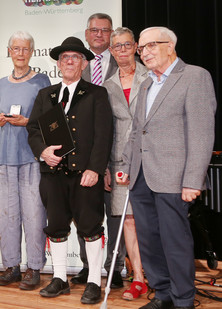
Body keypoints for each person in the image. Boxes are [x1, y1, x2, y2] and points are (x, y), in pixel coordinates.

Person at [116, 26, 216, 309]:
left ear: (170, 46)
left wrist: (193, 180)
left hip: (174, 178)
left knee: (175, 241)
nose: (144, 52)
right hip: (141, 176)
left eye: (150, 46)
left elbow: (201, 133)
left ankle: (184, 299)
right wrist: (126, 164)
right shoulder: (146, 82)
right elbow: (136, 131)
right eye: (141, 48)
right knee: (148, 240)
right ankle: (163, 294)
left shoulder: (195, 77)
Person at [27, 37, 113, 304]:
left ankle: (93, 282)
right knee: (56, 227)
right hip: (53, 175)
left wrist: (95, 169)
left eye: (75, 57)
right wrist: (43, 152)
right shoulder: (46, 95)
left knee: (90, 227)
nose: (69, 62)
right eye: (65, 58)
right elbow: (33, 130)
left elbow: (104, 134)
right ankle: (60, 278)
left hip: (85, 175)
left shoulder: (97, 94)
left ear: (84, 63)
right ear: (58, 63)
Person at [0, 31, 50, 290]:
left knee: (34, 213)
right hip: (4, 157)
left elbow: (49, 121)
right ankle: (12, 266)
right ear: (9, 51)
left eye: (25, 49)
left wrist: (27, 121)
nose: (20, 53)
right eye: (15, 48)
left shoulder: (42, 81)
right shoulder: (1, 83)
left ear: (31, 52)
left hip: (30, 156)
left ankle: (34, 267)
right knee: (7, 215)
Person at [73, 12, 124, 289]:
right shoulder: (75, 64)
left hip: (115, 150)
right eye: (95, 30)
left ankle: (114, 267)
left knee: (114, 214)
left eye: (105, 30)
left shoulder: (124, 63)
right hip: (82, 153)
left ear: (111, 33)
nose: (99, 34)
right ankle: (87, 266)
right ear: (86, 33)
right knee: (85, 214)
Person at [102, 27, 148, 301]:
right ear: (111, 51)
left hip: (151, 158)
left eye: (126, 45)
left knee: (149, 220)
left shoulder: (151, 76)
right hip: (120, 161)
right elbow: (107, 130)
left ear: (135, 48)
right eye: (116, 46)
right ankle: (139, 279)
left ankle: (159, 274)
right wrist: (106, 166)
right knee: (128, 221)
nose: (121, 50)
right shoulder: (108, 86)